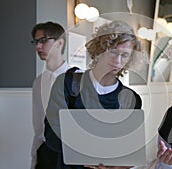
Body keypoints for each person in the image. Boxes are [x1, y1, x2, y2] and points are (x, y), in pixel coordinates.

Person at [38, 20, 148, 169]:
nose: (117, 60)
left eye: (125, 55)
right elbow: (51, 134)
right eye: (113, 52)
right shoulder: (68, 84)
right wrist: (82, 156)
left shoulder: (131, 99)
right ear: (100, 50)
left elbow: (127, 148)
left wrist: (121, 164)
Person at [30, 21, 70, 169]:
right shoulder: (38, 82)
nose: (38, 46)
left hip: (69, 153)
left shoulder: (77, 79)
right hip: (45, 152)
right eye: (36, 42)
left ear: (59, 43)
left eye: (43, 40)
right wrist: (35, 158)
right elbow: (38, 126)